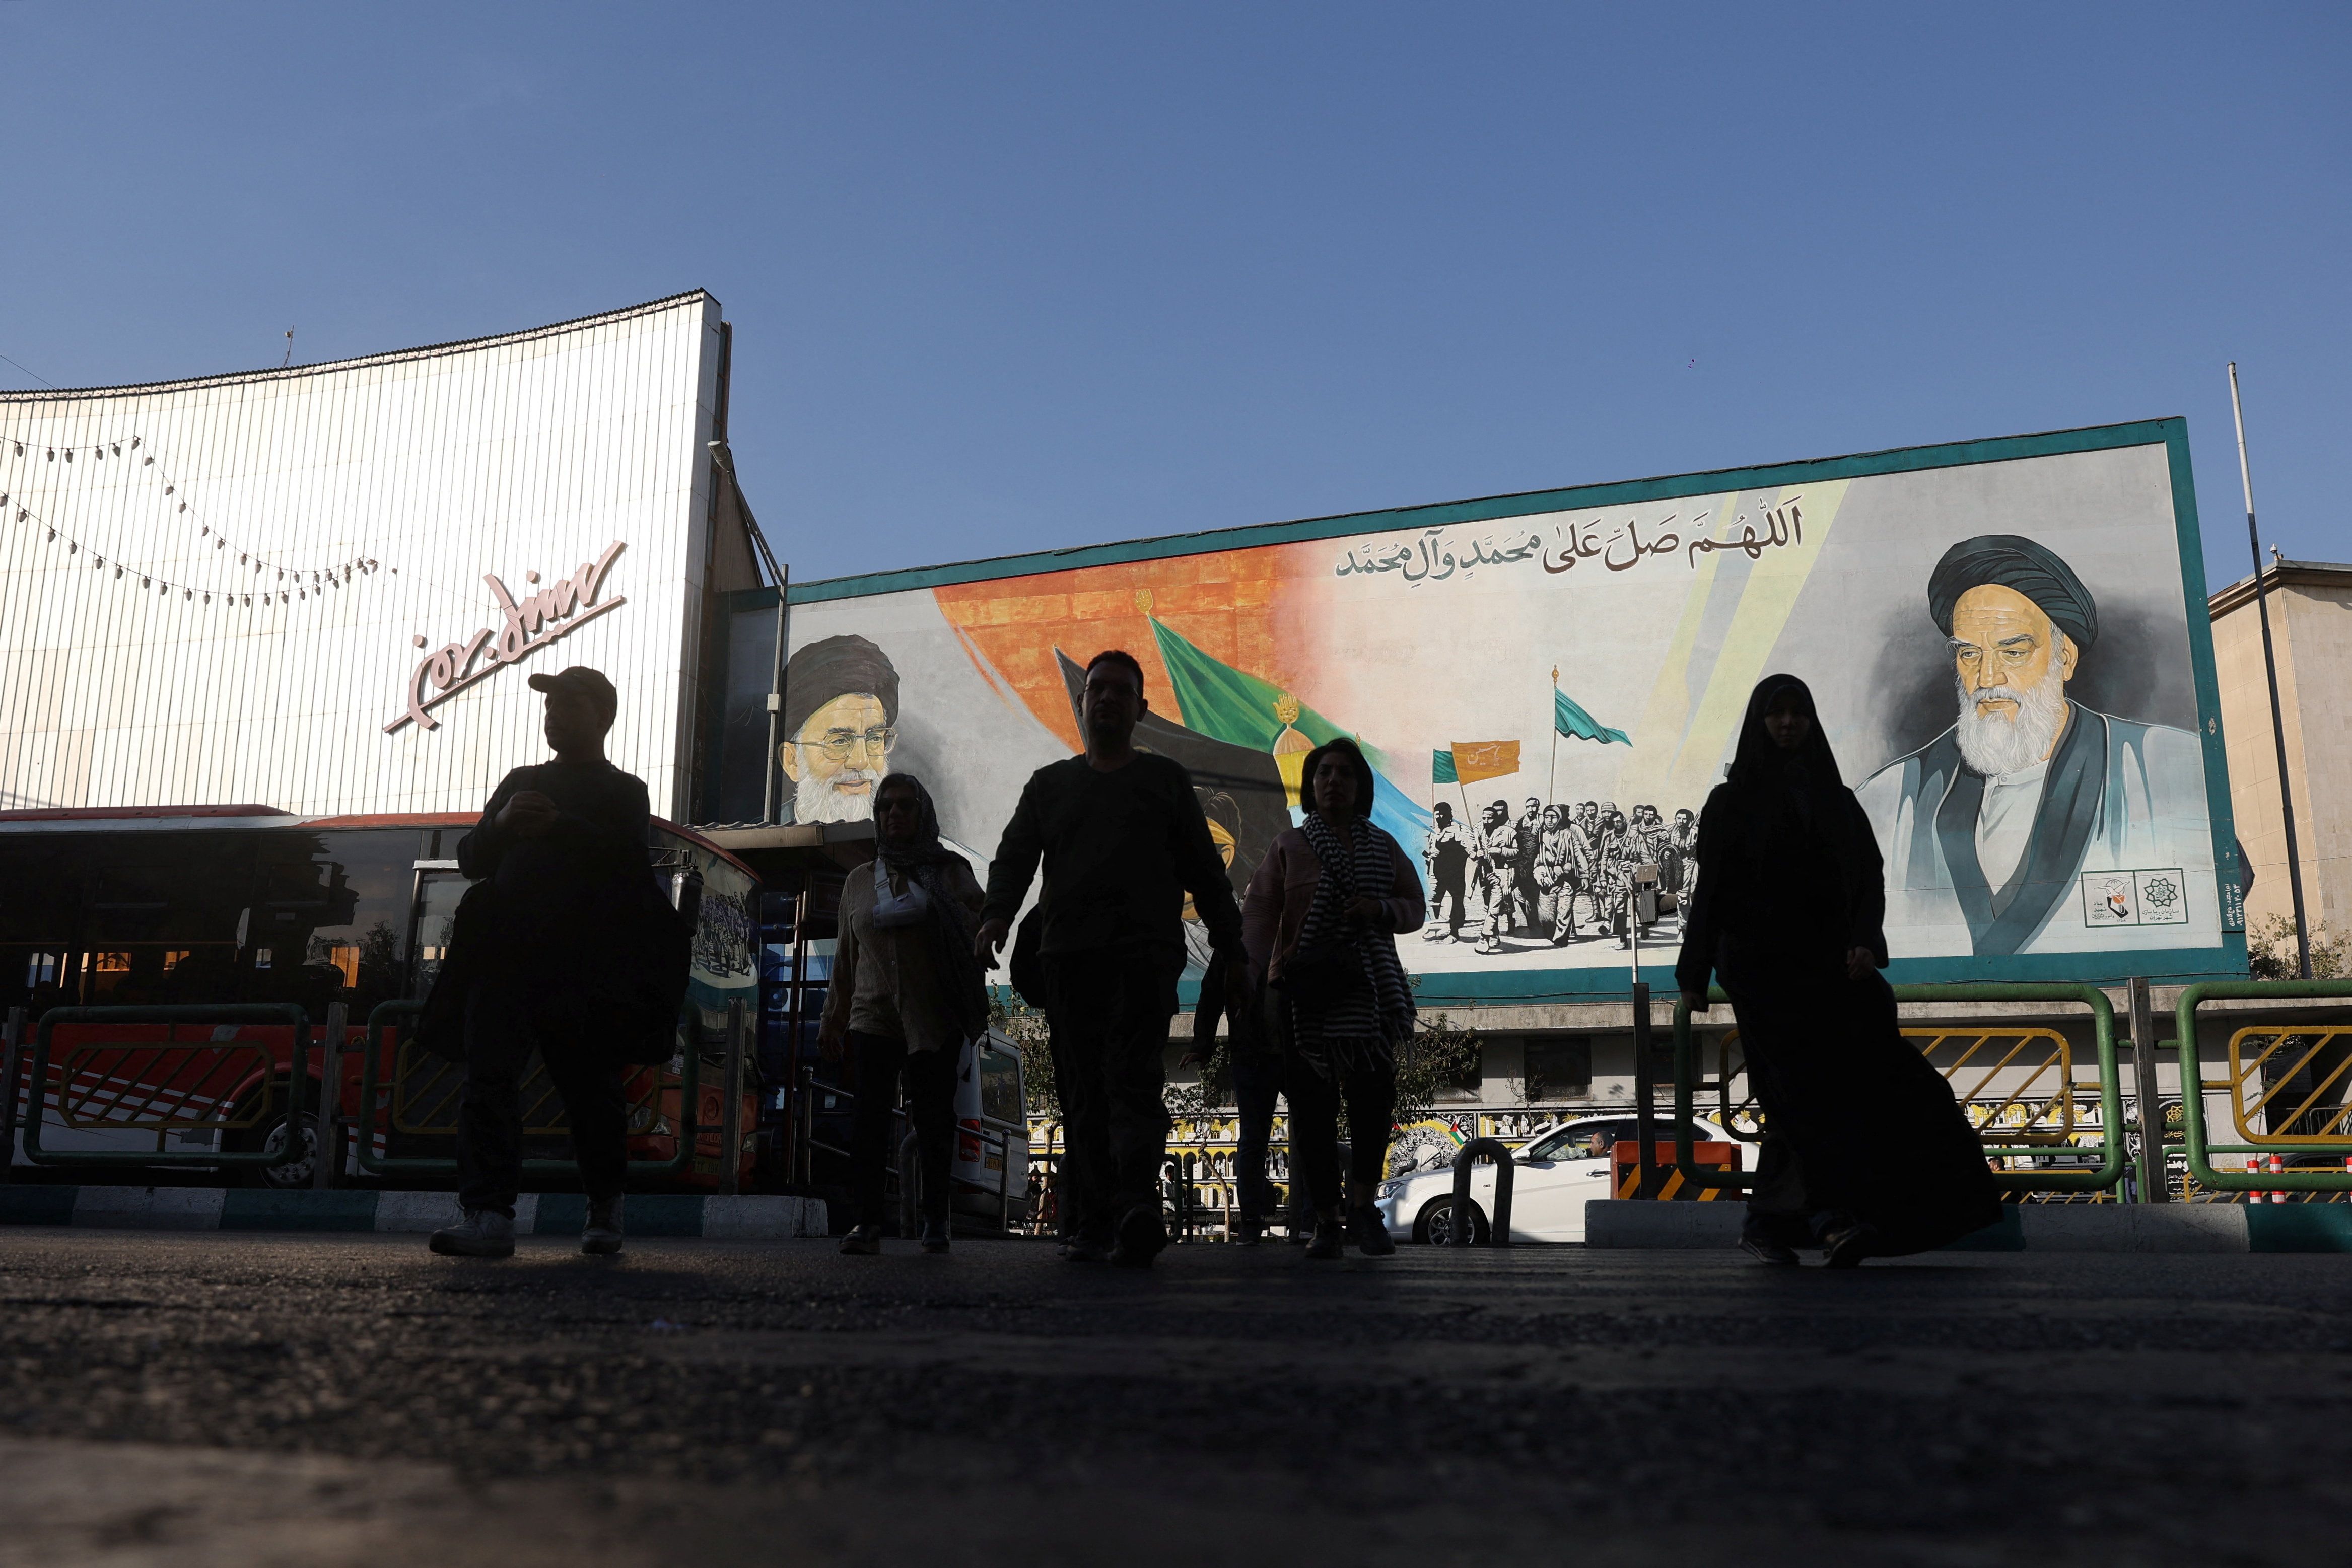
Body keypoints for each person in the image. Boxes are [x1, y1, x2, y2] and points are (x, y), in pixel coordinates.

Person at [1677, 674, 2004, 1267]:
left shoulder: (1835, 800)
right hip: (1760, 974)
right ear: (1759, 723)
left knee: (1855, 1087)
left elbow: (1866, 875)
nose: (1786, 724)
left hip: (1829, 971)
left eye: (1796, 714)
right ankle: (1829, 1219)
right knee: (1803, 1092)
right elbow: (1712, 891)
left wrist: (1861, 940)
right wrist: (1693, 971)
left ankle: (1769, 1222)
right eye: (1775, 714)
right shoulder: (1730, 803)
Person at [975, 650, 1249, 1268]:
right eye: (1096, 689)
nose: (1106, 699)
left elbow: (1206, 874)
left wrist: (1234, 951)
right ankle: (1094, 1223)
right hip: (1068, 961)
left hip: (1145, 960)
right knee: (1082, 1095)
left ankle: (1133, 1207)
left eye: (1120, 692)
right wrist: (995, 913)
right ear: (1082, 703)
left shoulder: (1165, 782)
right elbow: (1014, 857)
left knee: (1132, 1081)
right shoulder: (1049, 785)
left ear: (1140, 710)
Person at [1857, 534, 2213, 957]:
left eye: (2014, 652)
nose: (1988, 679)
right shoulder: (1890, 798)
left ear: (2065, 659)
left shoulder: (2163, 763)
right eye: (1970, 654)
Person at [432, 667, 651, 1260]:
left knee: (590, 1093)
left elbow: (631, 865)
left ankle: (604, 1206)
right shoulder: (520, 781)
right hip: (503, 962)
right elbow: (471, 859)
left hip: (582, 969)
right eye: (549, 706)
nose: (552, 714)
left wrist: (562, 826)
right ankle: (488, 1216)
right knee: (487, 1084)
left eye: (567, 705)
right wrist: (502, 825)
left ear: (602, 717)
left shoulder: (623, 791)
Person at [1242, 736, 1423, 1259]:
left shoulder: (1383, 846)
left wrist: (1379, 910)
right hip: (1302, 996)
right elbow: (1258, 915)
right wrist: (1251, 976)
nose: (1332, 781)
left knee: (1371, 1106)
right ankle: (1326, 1221)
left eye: (1344, 773)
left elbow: (1414, 906)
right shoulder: (1287, 847)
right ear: (1310, 785)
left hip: (1367, 994)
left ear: (1359, 786)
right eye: (1322, 773)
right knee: (1313, 1113)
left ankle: (1363, 1210)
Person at [820, 773, 988, 1256]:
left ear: (923, 814)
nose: (894, 814)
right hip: (872, 1016)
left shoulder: (951, 872)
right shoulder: (858, 882)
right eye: (885, 807)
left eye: (905, 806)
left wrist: (972, 929)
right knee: (869, 1122)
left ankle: (937, 1220)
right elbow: (845, 960)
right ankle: (866, 1224)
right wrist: (831, 1019)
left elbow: (976, 931)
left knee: (936, 1122)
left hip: (934, 1016)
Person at [779, 634, 902, 825]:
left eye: (874, 738)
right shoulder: (752, 847)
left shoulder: (929, 851)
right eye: (839, 741)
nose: (861, 761)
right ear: (792, 762)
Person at [1422, 801, 1474, 942]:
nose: (1439, 818)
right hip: (1438, 875)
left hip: (1455, 875)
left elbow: (1470, 848)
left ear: (1449, 815)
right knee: (1434, 902)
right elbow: (1432, 851)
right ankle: (1437, 928)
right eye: (1437, 815)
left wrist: (1474, 852)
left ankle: (1454, 932)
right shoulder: (1434, 832)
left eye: (1442, 814)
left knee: (1455, 902)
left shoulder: (1460, 830)